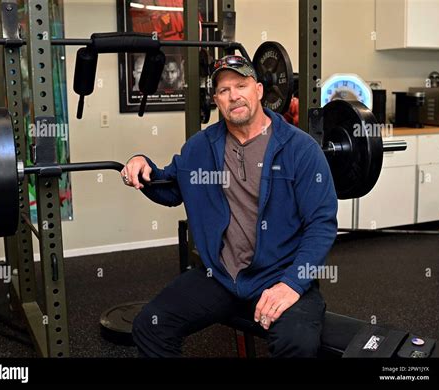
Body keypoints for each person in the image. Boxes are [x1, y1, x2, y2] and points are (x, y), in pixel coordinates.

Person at [121, 55, 338, 357]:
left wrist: (292, 283)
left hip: (280, 274)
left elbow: (321, 224)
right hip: (222, 277)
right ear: (216, 100)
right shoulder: (200, 147)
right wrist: (141, 164)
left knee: (297, 343)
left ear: (259, 90)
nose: (233, 95)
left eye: (241, 85)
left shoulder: (300, 149)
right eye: (223, 90)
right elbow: (169, 187)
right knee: (150, 326)